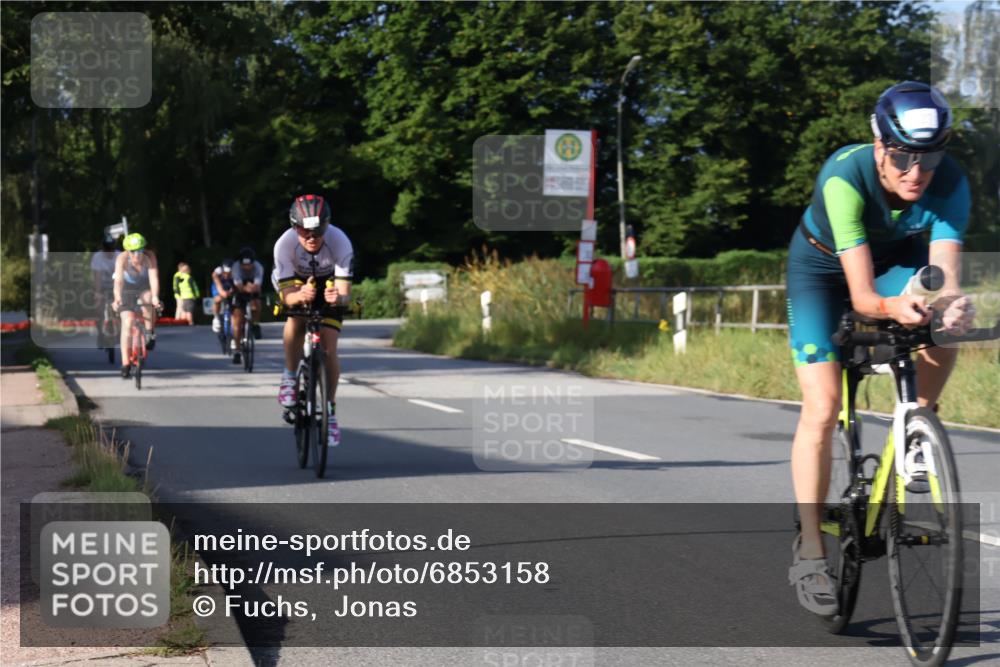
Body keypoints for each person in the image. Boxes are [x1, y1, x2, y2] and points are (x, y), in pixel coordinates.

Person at [786, 82, 975, 616]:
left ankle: (919, 426)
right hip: (823, 273)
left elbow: (946, 279)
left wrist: (951, 307)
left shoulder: (951, 182)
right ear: (879, 147)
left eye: (929, 158)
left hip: (898, 263)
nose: (916, 173)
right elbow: (866, 298)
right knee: (822, 407)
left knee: (943, 317)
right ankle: (809, 548)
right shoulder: (844, 176)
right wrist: (895, 308)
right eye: (902, 158)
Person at [273, 194, 353, 446]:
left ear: (327, 226)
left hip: (329, 285)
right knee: (295, 318)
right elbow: (286, 297)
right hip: (295, 284)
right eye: (303, 230)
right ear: (293, 227)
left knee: (328, 350)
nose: (311, 237)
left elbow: (345, 295)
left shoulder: (340, 242)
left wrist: (336, 298)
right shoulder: (284, 245)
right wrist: (298, 296)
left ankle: (329, 413)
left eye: (318, 231)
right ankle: (288, 377)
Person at [112, 233, 161, 377]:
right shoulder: (122, 258)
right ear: (127, 251)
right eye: (133, 251)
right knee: (127, 322)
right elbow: (118, 281)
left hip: (144, 286)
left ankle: (149, 331)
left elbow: (153, 278)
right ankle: (126, 363)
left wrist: (156, 297)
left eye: (140, 250)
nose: (137, 254)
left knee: (148, 298)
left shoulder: (150, 256)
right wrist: (117, 298)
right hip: (127, 287)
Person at [230, 247, 265, 364]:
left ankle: (255, 324)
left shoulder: (258, 267)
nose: (246, 267)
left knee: (257, 303)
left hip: (252, 288)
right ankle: (237, 350)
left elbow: (258, 285)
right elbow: (238, 285)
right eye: (244, 265)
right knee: (237, 321)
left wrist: (251, 288)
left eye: (249, 265)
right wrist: (247, 287)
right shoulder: (235, 267)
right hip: (239, 291)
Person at [91, 233, 120, 348]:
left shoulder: (119, 256)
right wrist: (97, 293)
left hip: (116, 285)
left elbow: (122, 276)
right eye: (107, 249)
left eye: (111, 249)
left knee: (119, 308)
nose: (109, 251)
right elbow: (97, 277)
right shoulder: (97, 257)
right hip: (101, 286)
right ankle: (100, 333)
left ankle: (119, 331)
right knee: (98, 308)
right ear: (103, 248)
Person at [210, 260, 235, 333]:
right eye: (224, 273)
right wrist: (221, 292)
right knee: (217, 299)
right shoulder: (217, 271)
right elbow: (216, 281)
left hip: (230, 284)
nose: (226, 275)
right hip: (219, 284)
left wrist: (232, 291)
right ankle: (216, 317)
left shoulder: (236, 271)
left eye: (229, 273)